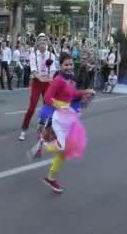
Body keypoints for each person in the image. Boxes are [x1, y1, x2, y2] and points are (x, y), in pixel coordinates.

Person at [37, 54, 94, 193]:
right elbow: (47, 98)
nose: (69, 67)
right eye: (66, 65)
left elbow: (73, 95)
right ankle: (43, 144)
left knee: (64, 150)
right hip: (59, 117)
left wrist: (85, 92)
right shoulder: (58, 80)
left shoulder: (71, 80)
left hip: (68, 117)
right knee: (62, 147)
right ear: (60, 66)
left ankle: (51, 178)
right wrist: (60, 106)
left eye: (71, 64)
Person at [19, 39, 56, 141]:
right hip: (37, 83)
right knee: (31, 107)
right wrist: (39, 77)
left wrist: (50, 77)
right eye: (40, 43)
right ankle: (24, 130)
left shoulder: (51, 55)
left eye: (44, 43)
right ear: (37, 45)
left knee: (47, 107)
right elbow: (33, 69)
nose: (42, 45)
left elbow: (53, 69)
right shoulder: (33, 55)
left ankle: (44, 130)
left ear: (47, 44)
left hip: (47, 83)